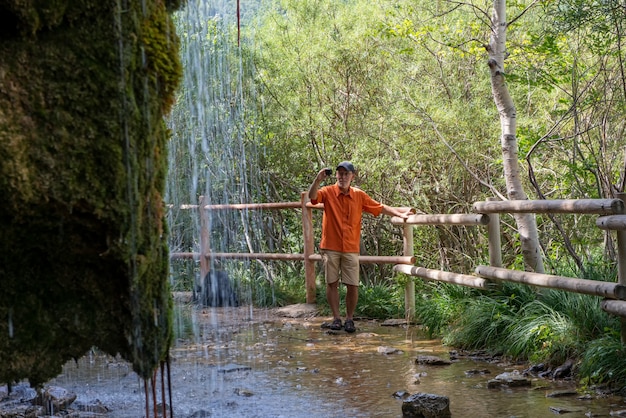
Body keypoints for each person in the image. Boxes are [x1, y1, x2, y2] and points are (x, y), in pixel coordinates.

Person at [308, 161, 412, 333]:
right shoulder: (327, 192)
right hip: (331, 245)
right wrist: (317, 180)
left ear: (352, 176)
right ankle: (336, 318)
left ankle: (349, 319)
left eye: (346, 174)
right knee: (331, 282)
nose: (342, 177)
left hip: (350, 246)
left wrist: (400, 213)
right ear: (336, 175)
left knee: (353, 284)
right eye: (339, 173)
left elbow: (379, 207)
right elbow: (312, 198)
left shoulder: (359, 195)